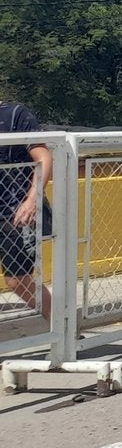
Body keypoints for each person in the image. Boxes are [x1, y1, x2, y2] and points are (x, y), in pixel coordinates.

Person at [0, 99, 51, 319]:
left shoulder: (16, 114)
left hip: (14, 212)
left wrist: (32, 201)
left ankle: (63, 327)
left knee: (17, 280)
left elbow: (44, 158)